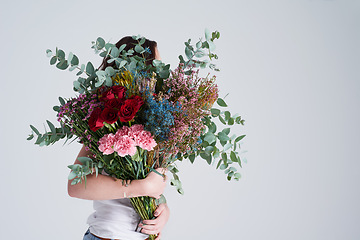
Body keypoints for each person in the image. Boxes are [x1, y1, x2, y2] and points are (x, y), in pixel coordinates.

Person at [68, 36, 170, 240]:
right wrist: (139, 187)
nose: (163, 75)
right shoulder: (106, 124)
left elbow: (153, 185)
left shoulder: (158, 125)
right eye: (157, 66)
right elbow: (75, 185)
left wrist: (163, 211)